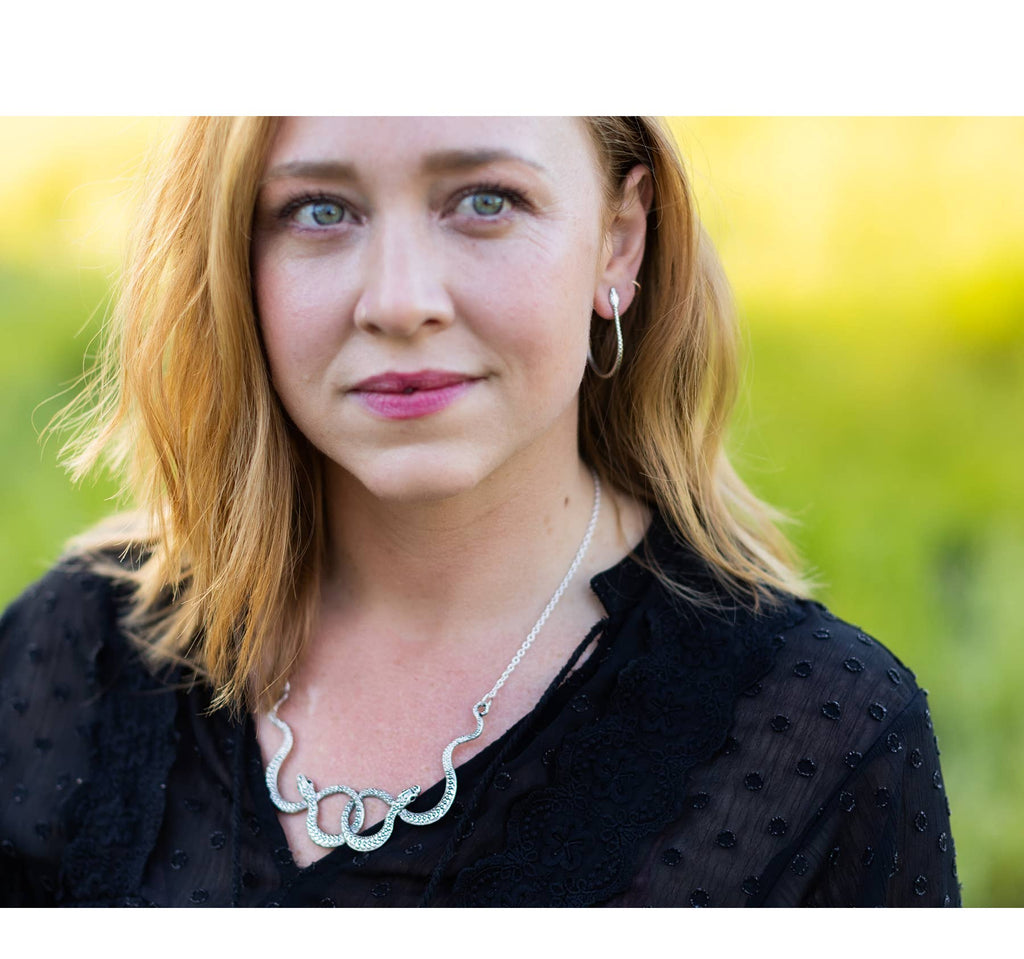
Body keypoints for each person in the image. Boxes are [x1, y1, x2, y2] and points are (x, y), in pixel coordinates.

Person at [0, 117, 958, 907]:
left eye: (486, 201)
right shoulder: (74, 654)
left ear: (620, 240)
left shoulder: (821, 740)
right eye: (320, 210)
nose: (400, 302)